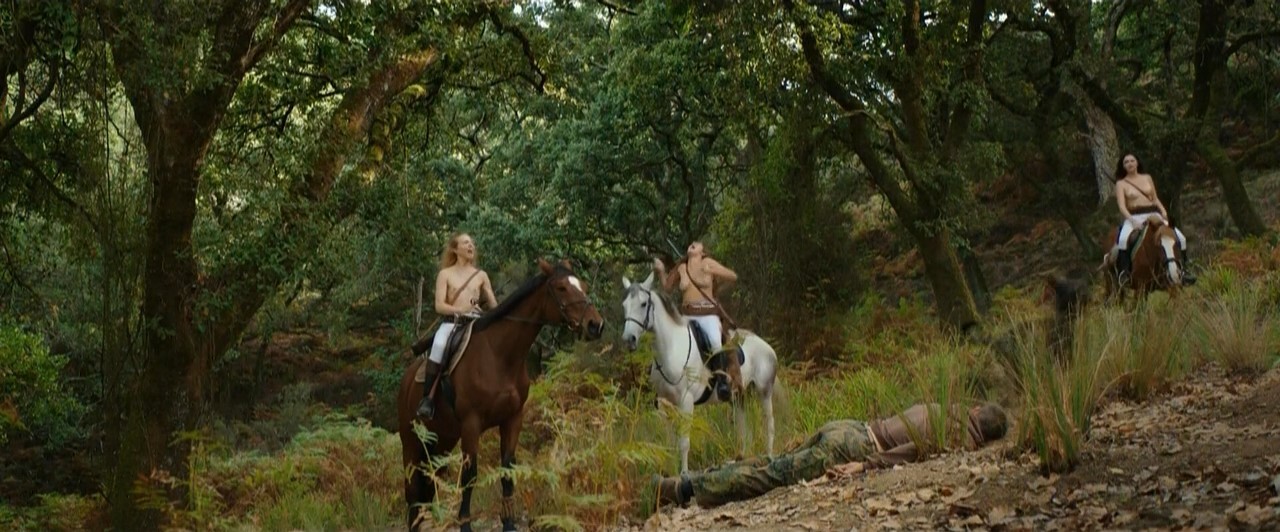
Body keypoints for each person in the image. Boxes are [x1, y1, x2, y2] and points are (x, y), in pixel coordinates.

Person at [653, 403, 1009, 508]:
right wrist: (865, 465)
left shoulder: (948, 405)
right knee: (772, 476)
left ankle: (691, 479)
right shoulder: (961, 436)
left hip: (850, 426)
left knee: (774, 463)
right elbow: (915, 449)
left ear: (976, 410)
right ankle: (684, 488)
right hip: (855, 446)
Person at [413, 233, 498, 419]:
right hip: (453, 323)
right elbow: (439, 306)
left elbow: (493, 304)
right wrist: (460, 309)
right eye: (466, 243)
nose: (471, 246)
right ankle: (427, 399)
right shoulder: (445, 274)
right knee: (438, 346)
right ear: (454, 249)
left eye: (472, 243)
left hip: (476, 322)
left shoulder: (481, 275)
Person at [1112, 154, 1195, 285]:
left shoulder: (1147, 178)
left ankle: (1185, 269)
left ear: (1137, 163)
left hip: (1153, 214)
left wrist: (1163, 211)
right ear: (1123, 166)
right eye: (1126, 162)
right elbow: (1122, 206)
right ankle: (1125, 273)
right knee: (1122, 240)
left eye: (1132, 161)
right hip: (1134, 216)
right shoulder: (1121, 184)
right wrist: (1132, 221)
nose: (1130, 163)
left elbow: (1155, 199)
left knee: (1181, 238)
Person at [652, 241, 738, 354]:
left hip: (707, 314)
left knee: (715, 342)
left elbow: (733, 276)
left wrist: (711, 270)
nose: (693, 243)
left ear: (702, 253)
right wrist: (661, 271)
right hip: (687, 316)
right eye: (692, 243)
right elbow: (667, 289)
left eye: (697, 244)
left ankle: (720, 365)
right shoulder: (681, 267)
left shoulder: (707, 262)